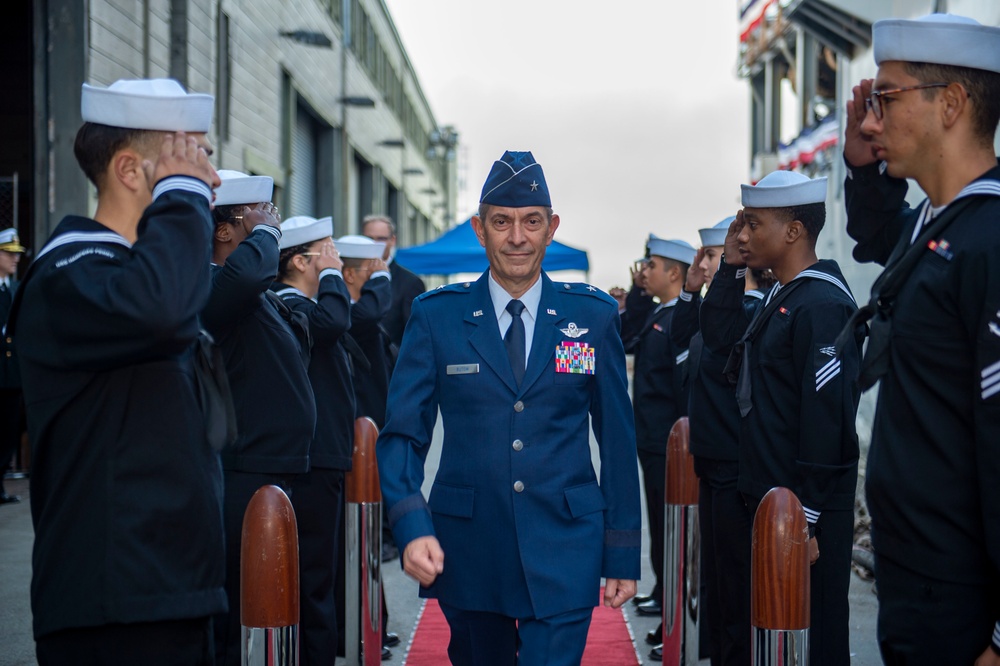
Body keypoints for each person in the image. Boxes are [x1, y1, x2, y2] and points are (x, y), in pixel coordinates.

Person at [376, 150, 641, 665]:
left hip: (567, 543)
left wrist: (623, 550)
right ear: (480, 229)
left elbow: (617, 440)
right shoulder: (437, 318)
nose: (517, 237)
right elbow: (403, 436)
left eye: (531, 222)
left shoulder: (593, 317)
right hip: (471, 548)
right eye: (502, 222)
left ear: (551, 228)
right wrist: (411, 525)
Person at [8, 78, 226, 665]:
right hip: (117, 603)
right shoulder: (71, 272)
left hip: (168, 589)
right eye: (192, 157)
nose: (211, 177)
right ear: (132, 172)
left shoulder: (132, 275)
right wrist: (181, 197)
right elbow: (160, 313)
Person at [841, 13, 1000, 665]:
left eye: (888, 98)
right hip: (915, 588)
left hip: (965, 607)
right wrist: (863, 167)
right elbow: (886, 241)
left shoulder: (989, 242)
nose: (872, 120)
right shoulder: (939, 227)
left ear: (952, 104)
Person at [700, 170, 865, 666]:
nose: (744, 234)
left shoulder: (823, 305)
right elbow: (719, 335)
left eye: (754, 224)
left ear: (793, 231)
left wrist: (807, 520)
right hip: (770, 504)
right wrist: (730, 265)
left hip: (801, 513)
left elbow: (828, 420)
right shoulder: (782, 294)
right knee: (771, 638)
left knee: (811, 640)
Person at [203, 170, 317, 666]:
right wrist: (271, 234)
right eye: (259, 216)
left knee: (274, 596)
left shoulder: (252, 291)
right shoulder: (212, 284)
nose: (272, 225)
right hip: (246, 463)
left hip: (275, 461)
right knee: (242, 603)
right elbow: (247, 275)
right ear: (224, 230)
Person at [664, 216, 766, 666]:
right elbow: (683, 345)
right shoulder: (716, 314)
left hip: (732, 463)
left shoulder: (748, 311)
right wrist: (689, 291)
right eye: (708, 255)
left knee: (734, 585)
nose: (706, 263)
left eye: (712, 255)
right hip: (710, 460)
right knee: (717, 581)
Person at [272, 215, 352, 666]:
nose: (336, 259)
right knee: (315, 574)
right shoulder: (291, 304)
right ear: (301, 261)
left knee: (320, 571)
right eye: (327, 251)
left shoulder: (302, 305)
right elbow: (334, 322)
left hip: (325, 452)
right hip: (315, 456)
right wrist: (332, 275)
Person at [619, 235, 695, 625]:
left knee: (672, 526)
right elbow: (626, 338)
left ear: (674, 273)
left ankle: (673, 601)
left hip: (670, 442)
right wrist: (634, 294)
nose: (644, 271)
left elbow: (682, 390)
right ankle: (664, 592)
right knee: (660, 521)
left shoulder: (679, 318)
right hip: (652, 440)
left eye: (652, 266)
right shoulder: (658, 314)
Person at [361, 214, 426, 350]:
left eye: (381, 239)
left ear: (393, 240)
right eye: (369, 238)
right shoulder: (349, 275)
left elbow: (414, 335)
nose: (374, 244)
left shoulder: (410, 283)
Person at [0, 228, 26, 504]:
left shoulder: (16, 289)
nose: (15, 259)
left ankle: (0, 485)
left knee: (9, 431)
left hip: (11, 376)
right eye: (9, 253)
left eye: (17, 254)